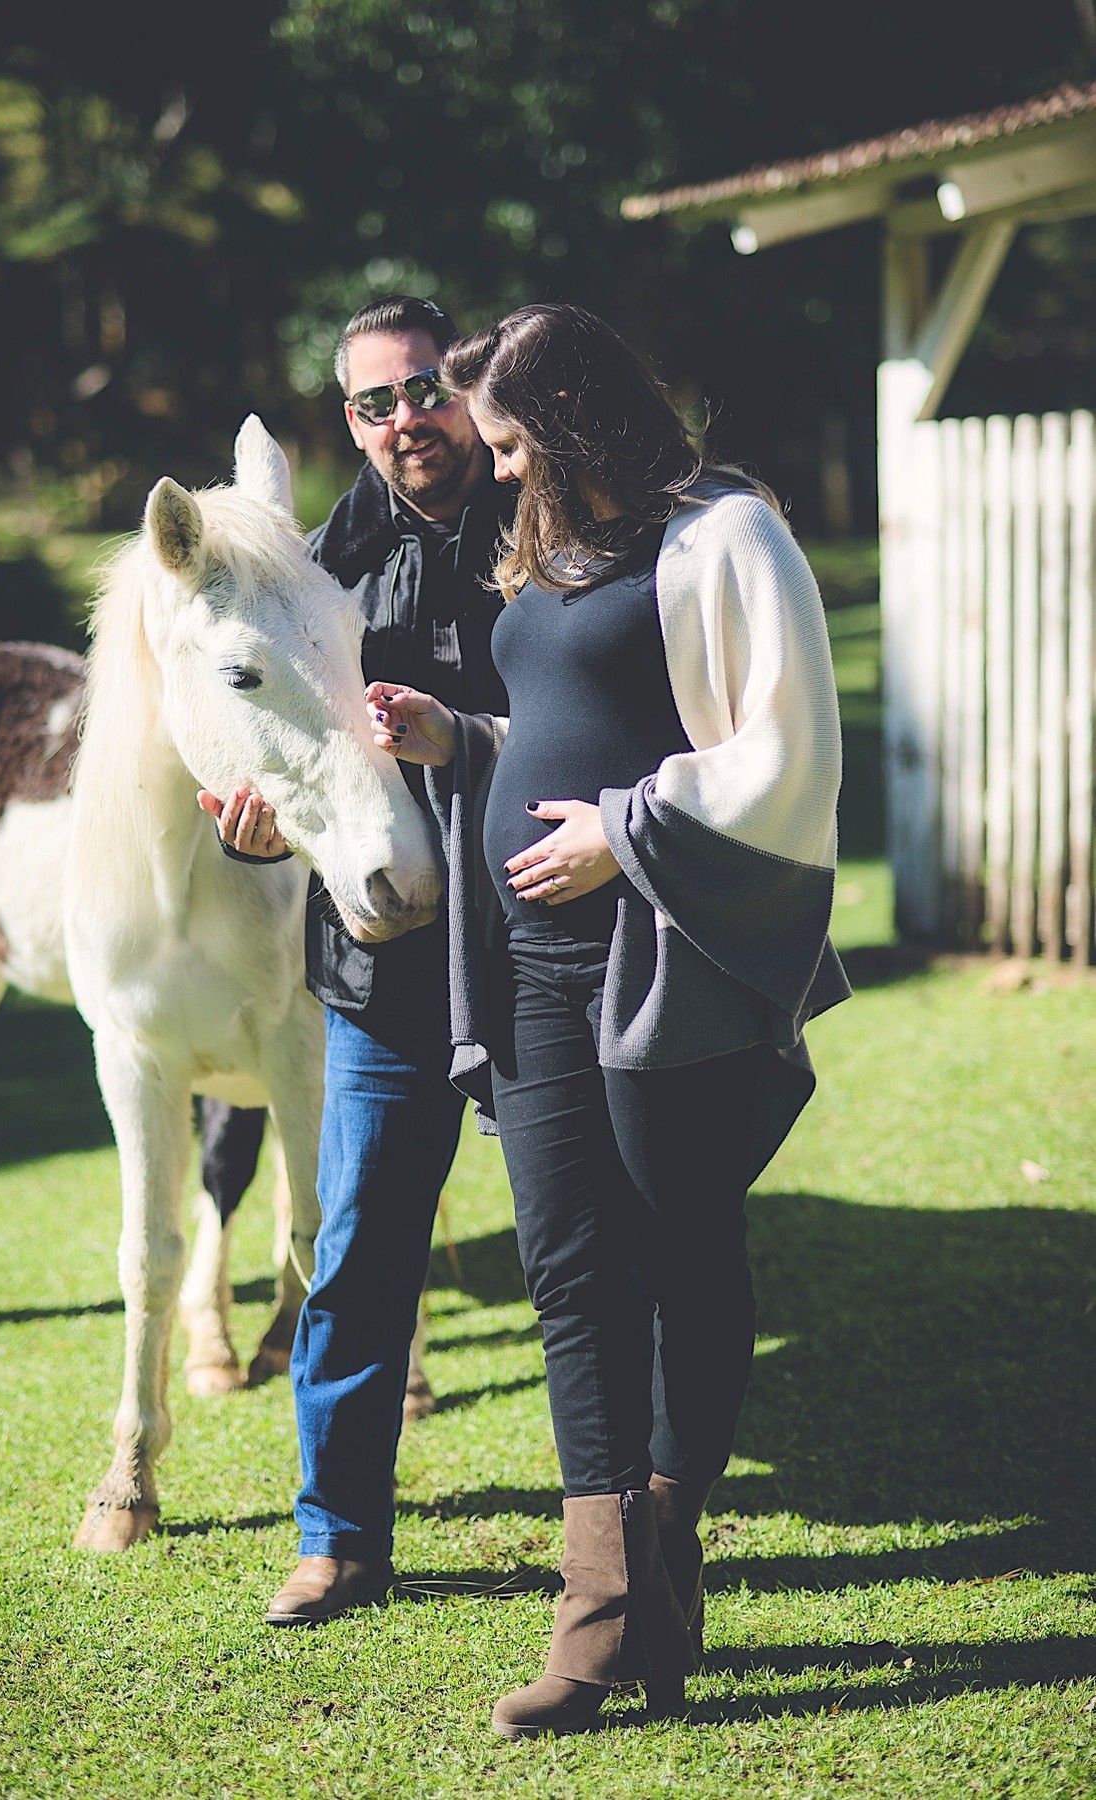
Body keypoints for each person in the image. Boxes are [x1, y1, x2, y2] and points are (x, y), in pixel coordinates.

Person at [362, 303, 851, 1737]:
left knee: (682, 1249)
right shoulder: (549, 552)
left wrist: (621, 834)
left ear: (574, 421)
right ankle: (598, 1614)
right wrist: (461, 740)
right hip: (529, 962)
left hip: (660, 955)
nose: (501, 470)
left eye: (513, 443)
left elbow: (787, 748)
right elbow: (565, 731)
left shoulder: (724, 535)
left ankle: (662, 1563)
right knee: (569, 1271)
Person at [202, 295, 514, 1624]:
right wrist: (261, 824)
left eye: (427, 388)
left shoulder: (544, 524)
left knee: (590, 1254)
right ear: (351, 420)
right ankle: (337, 1539)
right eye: (376, 403)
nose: (407, 420)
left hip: (539, 944)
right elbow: (268, 723)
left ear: (468, 387)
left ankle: (626, 1530)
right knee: (357, 1255)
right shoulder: (324, 562)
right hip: (383, 966)